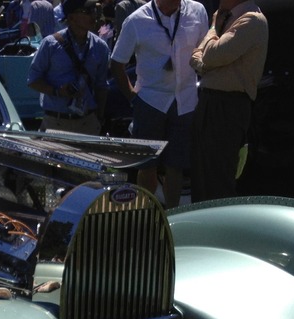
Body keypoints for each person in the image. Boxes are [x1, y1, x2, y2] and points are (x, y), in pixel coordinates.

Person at [111, 0, 207, 207]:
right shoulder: (136, 20)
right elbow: (117, 62)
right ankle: (145, 213)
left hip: (186, 101)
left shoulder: (197, 11)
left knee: (176, 166)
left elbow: (204, 50)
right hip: (150, 101)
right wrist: (133, 97)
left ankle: (172, 214)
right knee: (147, 165)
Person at [188, 0, 266, 201]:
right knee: (201, 175)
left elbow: (211, 55)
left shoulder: (251, 20)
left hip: (228, 106)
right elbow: (196, 58)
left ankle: (219, 219)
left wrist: (214, 28)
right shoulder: (228, 18)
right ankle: (202, 219)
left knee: (218, 178)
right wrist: (208, 60)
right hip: (210, 101)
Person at [26, 0, 109, 135]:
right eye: (87, 11)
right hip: (55, 123)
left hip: (88, 123)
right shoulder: (50, 44)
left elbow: (101, 87)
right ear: (71, 18)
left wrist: (99, 118)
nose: (93, 15)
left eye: (94, 10)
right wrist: (58, 91)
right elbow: (33, 80)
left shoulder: (101, 47)